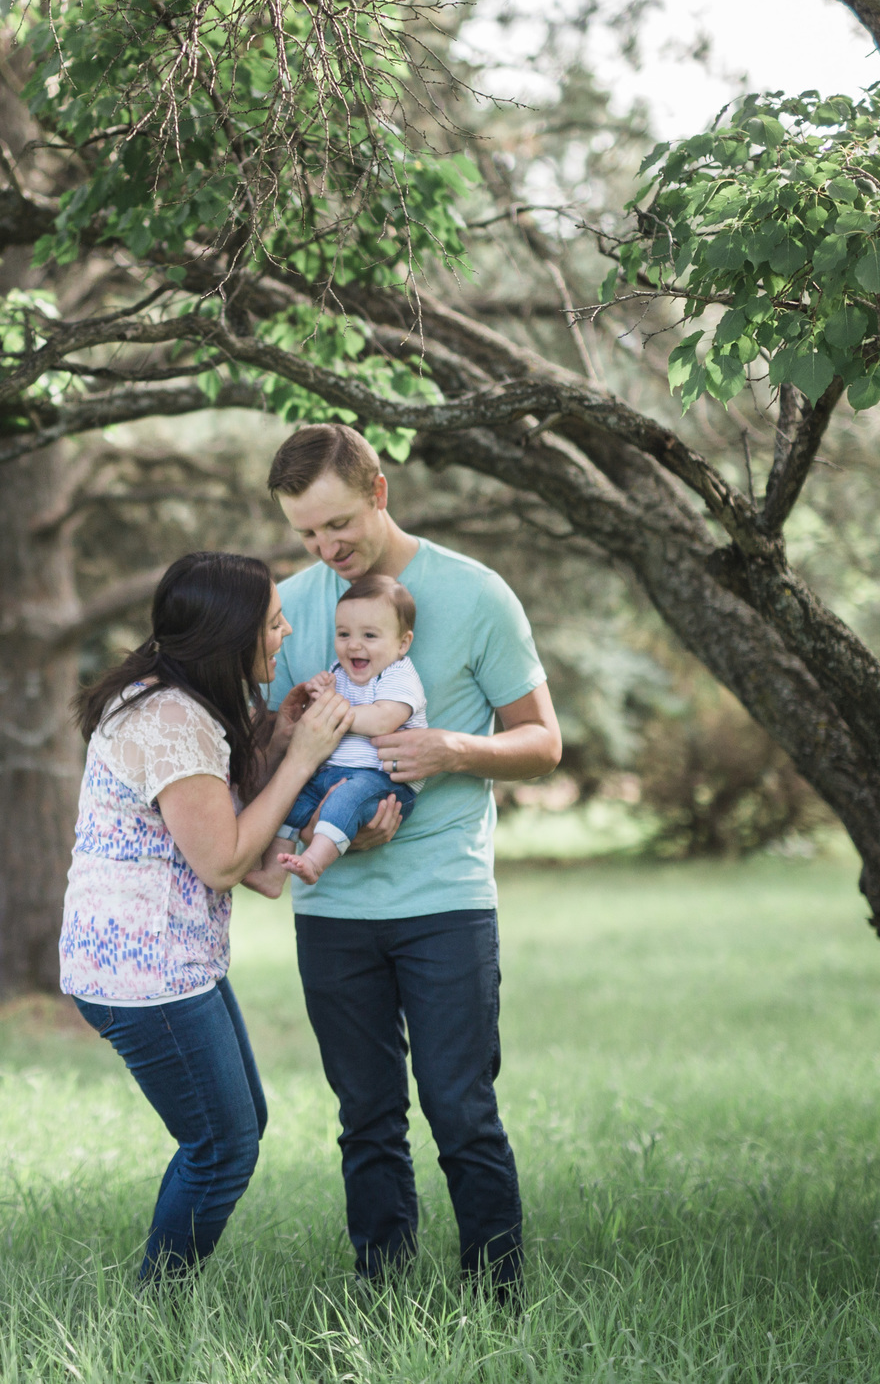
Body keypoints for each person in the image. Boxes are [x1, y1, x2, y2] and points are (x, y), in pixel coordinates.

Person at [263, 425, 562, 1297]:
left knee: (462, 1112)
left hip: (446, 899)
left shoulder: (477, 594)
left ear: (380, 490)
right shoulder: (287, 604)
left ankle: (499, 1295)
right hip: (332, 907)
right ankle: (382, 1293)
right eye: (307, 533)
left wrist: (450, 751)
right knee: (366, 1118)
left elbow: (543, 741)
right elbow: (260, 742)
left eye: (339, 525)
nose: (326, 549)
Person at [57, 549, 404, 1283]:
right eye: (273, 623)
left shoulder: (186, 704)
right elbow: (225, 861)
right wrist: (303, 758)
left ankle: (159, 1294)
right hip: (142, 973)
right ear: (232, 631)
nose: (283, 635)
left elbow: (257, 865)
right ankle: (154, 1303)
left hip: (174, 962)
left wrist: (278, 737)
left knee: (235, 1128)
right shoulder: (168, 720)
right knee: (222, 1145)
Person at [271, 571, 426, 886]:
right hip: (333, 771)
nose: (354, 645)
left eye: (370, 636)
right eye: (343, 634)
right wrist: (318, 694)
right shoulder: (338, 672)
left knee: (345, 798)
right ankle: (271, 872)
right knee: (291, 798)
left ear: (402, 643)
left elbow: (382, 720)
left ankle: (314, 862)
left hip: (381, 780)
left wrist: (331, 710)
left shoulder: (399, 676)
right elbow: (318, 718)